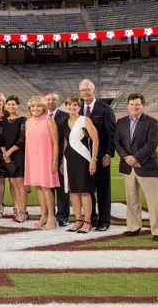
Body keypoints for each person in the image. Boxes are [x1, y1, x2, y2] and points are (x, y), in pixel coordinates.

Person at [114, 93, 158, 241]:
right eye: (131, 104)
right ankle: (133, 227)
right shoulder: (121, 122)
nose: (134, 107)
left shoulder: (152, 122)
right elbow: (117, 142)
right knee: (131, 200)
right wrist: (126, 157)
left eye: (137, 104)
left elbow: (151, 144)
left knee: (153, 201)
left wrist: (136, 158)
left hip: (147, 166)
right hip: (128, 167)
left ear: (143, 105)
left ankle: (157, 231)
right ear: (128, 106)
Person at [79, 79, 117, 231]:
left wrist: (108, 153)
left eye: (88, 89)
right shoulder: (78, 108)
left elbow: (112, 134)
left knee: (103, 188)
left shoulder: (105, 109)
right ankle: (91, 218)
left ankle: (104, 220)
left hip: (101, 156)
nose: (85, 92)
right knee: (87, 189)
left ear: (94, 91)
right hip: (83, 157)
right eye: (82, 90)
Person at [63, 97, 98, 234]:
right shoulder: (64, 122)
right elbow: (65, 142)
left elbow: (95, 139)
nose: (72, 107)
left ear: (79, 107)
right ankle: (78, 220)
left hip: (83, 159)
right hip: (69, 159)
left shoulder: (85, 120)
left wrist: (93, 160)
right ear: (66, 107)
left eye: (75, 105)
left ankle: (88, 222)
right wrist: (61, 160)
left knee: (84, 190)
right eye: (69, 105)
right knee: (74, 191)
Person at [24, 96, 60, 230]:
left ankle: (52, 217)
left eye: (38, 106)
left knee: (46, 188)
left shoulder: (49, 121)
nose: (35, 109)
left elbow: (56, 142)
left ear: (43, 107)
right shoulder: (28, 122)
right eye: (32, 106)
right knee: (38, 187)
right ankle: (43, 215)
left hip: (46, 158)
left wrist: (55, 161)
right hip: (33, 158)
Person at [0, 96, 28, 223]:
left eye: (13, 104)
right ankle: (17, 208)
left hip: (18, 154)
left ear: (18, 105)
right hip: (7, 155)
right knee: (13, 183)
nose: (11, 107)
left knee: (20, 183)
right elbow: (0, 139)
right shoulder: (3, 122)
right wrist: (5, 153)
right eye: (8, 105)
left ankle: (23, 211)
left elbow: (22, 139)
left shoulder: (23, 120)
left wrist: (10, 151)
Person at [46, 92, 70, 227]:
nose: (50, 102)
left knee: (62, 188)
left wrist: (63, 159)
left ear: (58, 101)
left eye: (53, 100)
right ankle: (50, 214)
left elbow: (67, 139)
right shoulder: (41, 117)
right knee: (47, 187)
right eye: (48, 100)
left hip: (61, 156)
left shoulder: (65, 117)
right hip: (45, 157)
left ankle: (62, 216)